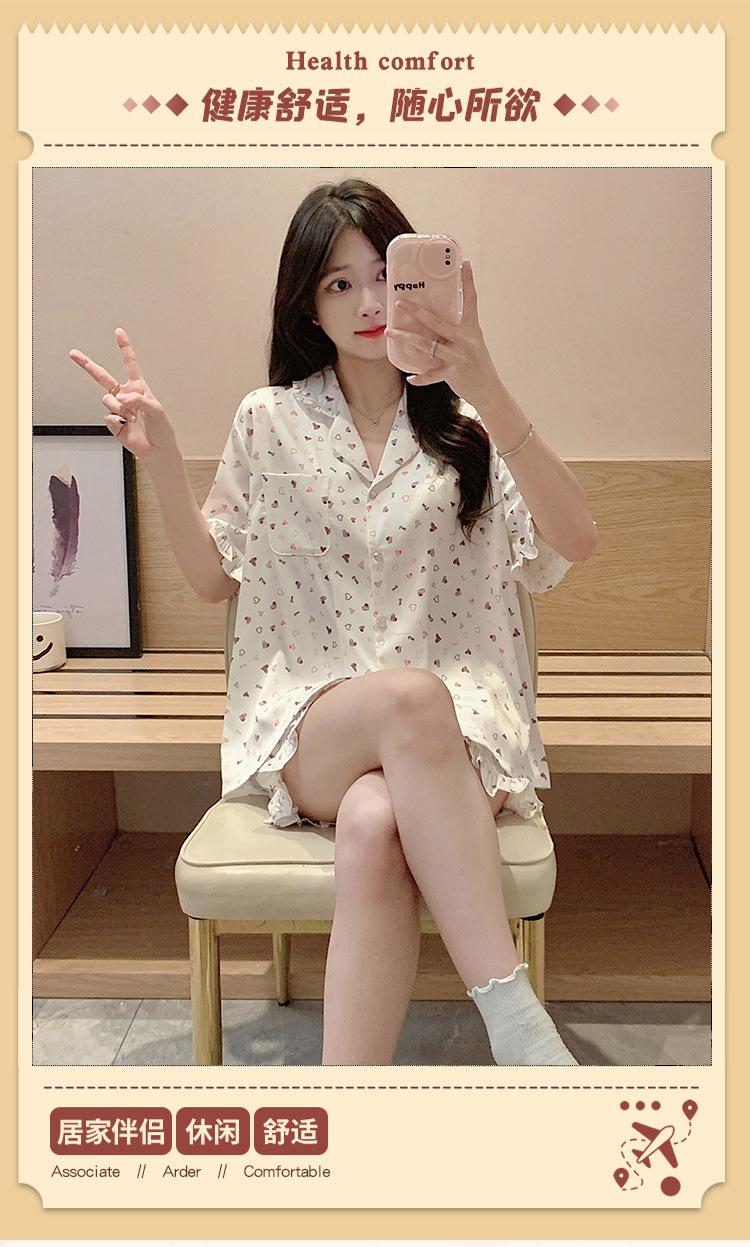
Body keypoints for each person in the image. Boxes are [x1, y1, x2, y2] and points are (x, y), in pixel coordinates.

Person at [69, 177, 597, 1068]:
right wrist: (159, 460)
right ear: (308, 307)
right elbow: (211, 578)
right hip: (315, 725)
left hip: (462, 734)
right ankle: (516, 1021)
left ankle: (345, 1109)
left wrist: (483, 376)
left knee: (373, 821)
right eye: (339, 283)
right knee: (408, 700)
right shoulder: (269, 421)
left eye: (385, 275)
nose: (368, 302)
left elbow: (575, 539)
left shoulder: (467, 427)